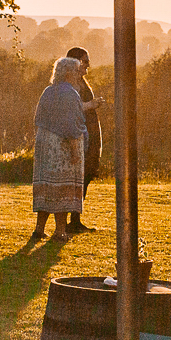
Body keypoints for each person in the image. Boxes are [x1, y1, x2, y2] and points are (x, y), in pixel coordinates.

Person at [30, 57, 89, 243]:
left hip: (44, 143)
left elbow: (38, 117)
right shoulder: (70, 93)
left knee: (47, 186)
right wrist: (74, 152)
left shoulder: (48, 91)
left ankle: (39, 229)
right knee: (62, 187)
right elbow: (71, 125)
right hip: (61, 146)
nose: (81, 74)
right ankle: (60, 231)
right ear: (69, 73)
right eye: (78, 70)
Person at [65, 47, 102, 234]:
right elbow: (71, 108)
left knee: (85, 176)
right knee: (77, 177)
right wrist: (91, 105)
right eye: (85, 61)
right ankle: (72, 219)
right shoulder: (71, 84)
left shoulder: (81, 82)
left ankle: (76, 217)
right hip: (81, 134)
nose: (88, 64)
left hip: (90, 133)